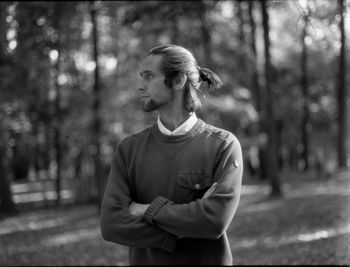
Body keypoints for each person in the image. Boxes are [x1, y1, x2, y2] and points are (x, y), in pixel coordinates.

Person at [100, 44, 243, 265]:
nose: (141, 86)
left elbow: (214, 221)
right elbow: (112, 225)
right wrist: (177, 233)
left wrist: (146, 210)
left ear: (177, 81)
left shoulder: (223, 145)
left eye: (149, 76)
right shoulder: (128, 149)